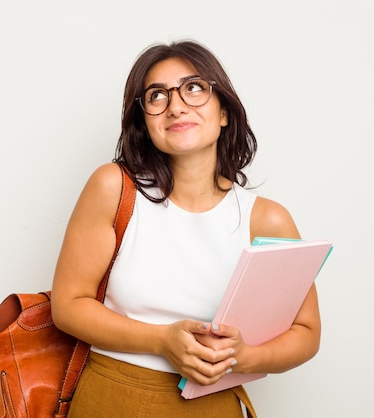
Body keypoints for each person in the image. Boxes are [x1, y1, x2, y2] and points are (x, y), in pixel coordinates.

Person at [50, 40, 321, 418]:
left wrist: (243, 357)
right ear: (144, 120)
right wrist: (162, 340)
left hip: (213, 405)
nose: (176, 105)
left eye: (194, 88)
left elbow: (306, 332)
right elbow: (67, 306)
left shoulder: (267, 219)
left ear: (224, 111)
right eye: (157, 95)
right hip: (112, 398)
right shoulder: (113, 188)